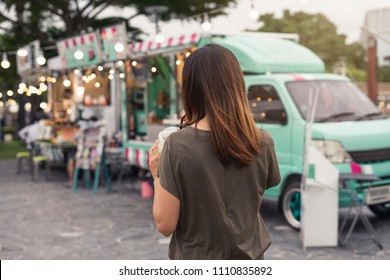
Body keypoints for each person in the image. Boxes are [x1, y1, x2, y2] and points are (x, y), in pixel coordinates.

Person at [148, 44, 281, 260]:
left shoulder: (177, 145)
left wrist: (157, 173)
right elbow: (253, 192)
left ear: (191, 89)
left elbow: (165, 224)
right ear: (237, 83)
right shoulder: (262, 142)